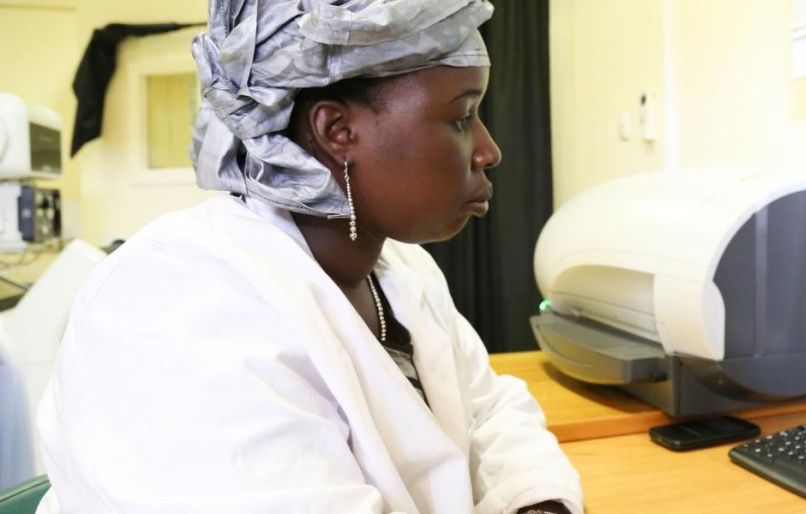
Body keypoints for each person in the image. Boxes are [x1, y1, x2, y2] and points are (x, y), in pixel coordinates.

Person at [34, 1, 582, 512]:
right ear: (336, 131)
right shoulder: (177, 308)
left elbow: (486, 410)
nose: (489, 151)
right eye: (462, 117)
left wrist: (535, 498)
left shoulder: (401, 272)